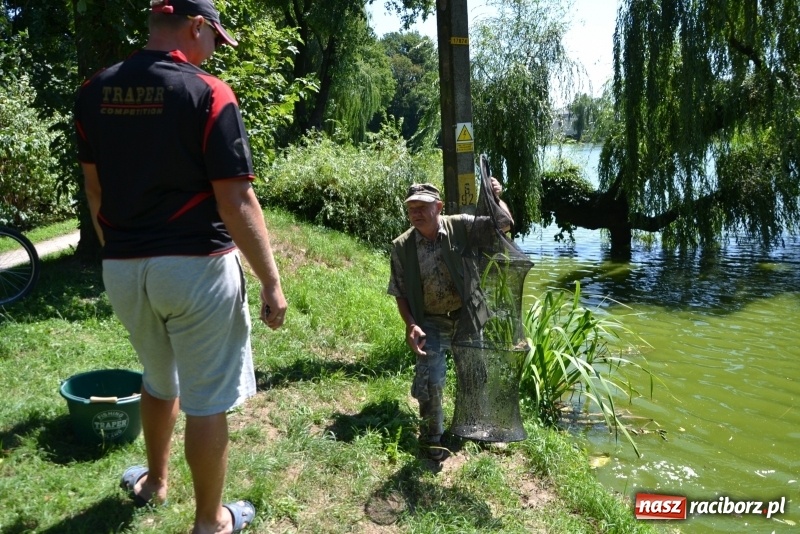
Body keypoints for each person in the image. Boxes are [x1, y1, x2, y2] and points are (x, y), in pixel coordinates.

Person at [74, 1, 286, 532]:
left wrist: (123, 249)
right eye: (215, 39)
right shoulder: (209, 93)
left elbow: (95, 190)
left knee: (157, 376)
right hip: (195, 270)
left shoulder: (94, 90)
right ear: (196, 27)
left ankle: (156, 480)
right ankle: (211, 522)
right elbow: (235, 199)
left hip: (123, 269)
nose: (214, 51)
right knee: (206, 398)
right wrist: (271, 282)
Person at [387, 180, 513, 461]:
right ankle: (433, 437)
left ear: (439, 207)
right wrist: (411, 324)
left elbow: (503, 224)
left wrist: (494, 198)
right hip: (429, 320)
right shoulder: (402, 247)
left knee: (474, 375)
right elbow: (400, 292)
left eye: (423, 206)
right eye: (412, 208)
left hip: (467, 315)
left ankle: (477, 429)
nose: (416, 213)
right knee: (431, 380)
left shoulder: (461, 225)